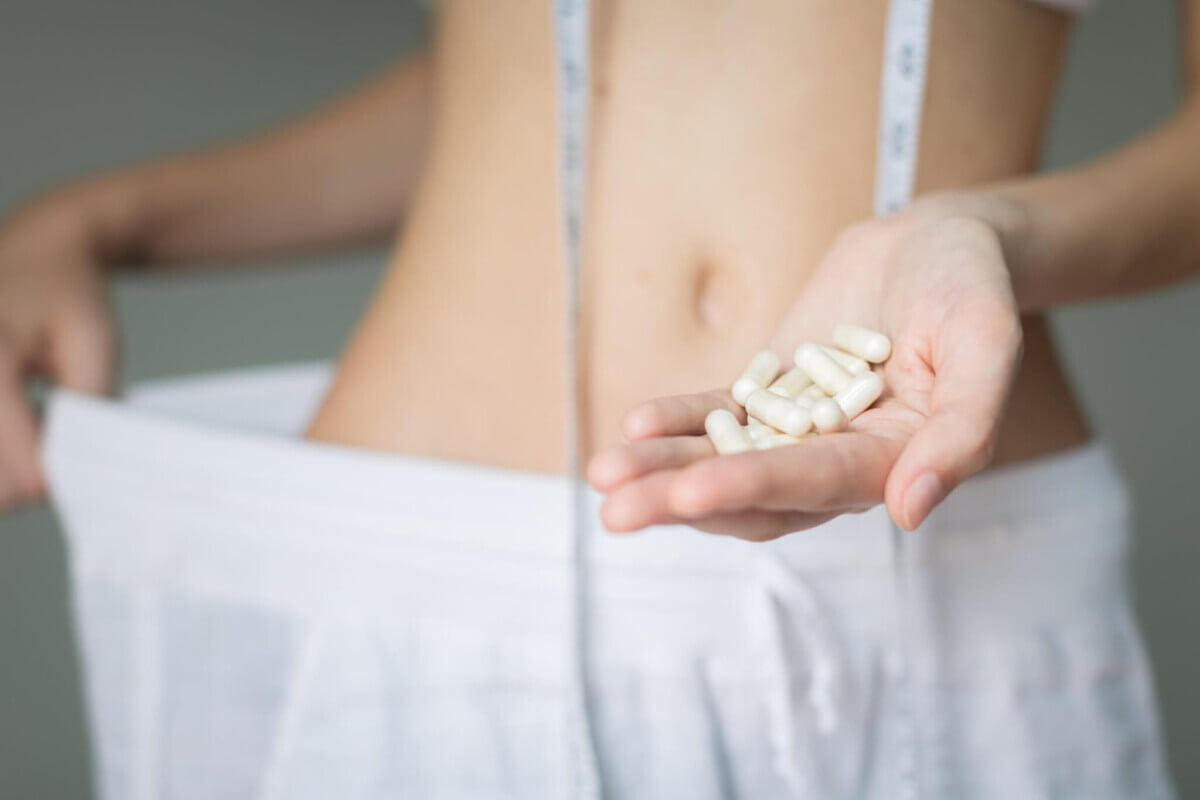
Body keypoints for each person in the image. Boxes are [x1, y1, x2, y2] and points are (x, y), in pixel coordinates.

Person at [1, 0, 1195, 796]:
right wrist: (101, 218)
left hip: (944, 582)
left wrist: (984, 224)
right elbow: (506, 80)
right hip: (422, 572)